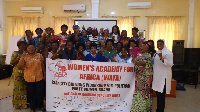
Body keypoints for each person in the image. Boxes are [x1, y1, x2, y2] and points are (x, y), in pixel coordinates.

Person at [17, 44, 45, 112]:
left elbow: (42, 65)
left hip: (39, 77)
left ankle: (40, 106)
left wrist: (45, 74)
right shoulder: (25, 56)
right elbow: (19, 67)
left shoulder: (39, 55)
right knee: (31, 93)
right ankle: (33, 108)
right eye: (29, 48)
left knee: (39, 92)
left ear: (35, 48)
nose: (31, 49)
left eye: (32, 47)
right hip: (29, 78)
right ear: (27, 49)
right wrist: (22, 58)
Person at [131, 42, 153, 112]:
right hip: (139, 77)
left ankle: (143, 109)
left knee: (144, 93)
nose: (141, 47)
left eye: (143, 46)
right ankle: (137, 108)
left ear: (148, 48)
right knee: (139, 93)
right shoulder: (140, 55)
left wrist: (136, 63)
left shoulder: (148, 56)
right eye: (140, 46)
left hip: (145, 78)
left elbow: (143, 63)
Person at [152, 39, 173, 112]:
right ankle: (158, 109)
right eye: (158, 44)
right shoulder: (156, 53)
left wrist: (162, 58)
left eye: (161, 44)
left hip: (163, 78)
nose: (159, 46)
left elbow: (170, 64)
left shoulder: (168, 53)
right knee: (158, 96)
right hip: (157, 77)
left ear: (164, 44)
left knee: (161, 97)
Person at [10, 41, 27, 110]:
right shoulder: (15, 53)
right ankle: (17, 104)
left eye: (24, 45)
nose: (23, 46)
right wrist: (18, 59)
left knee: (24, 88)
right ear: (18, 46)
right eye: (22, 45)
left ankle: (24, 104)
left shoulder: (27, 53)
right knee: (18, 88)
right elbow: (11, 63)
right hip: (17, 72)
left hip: (26, 72)